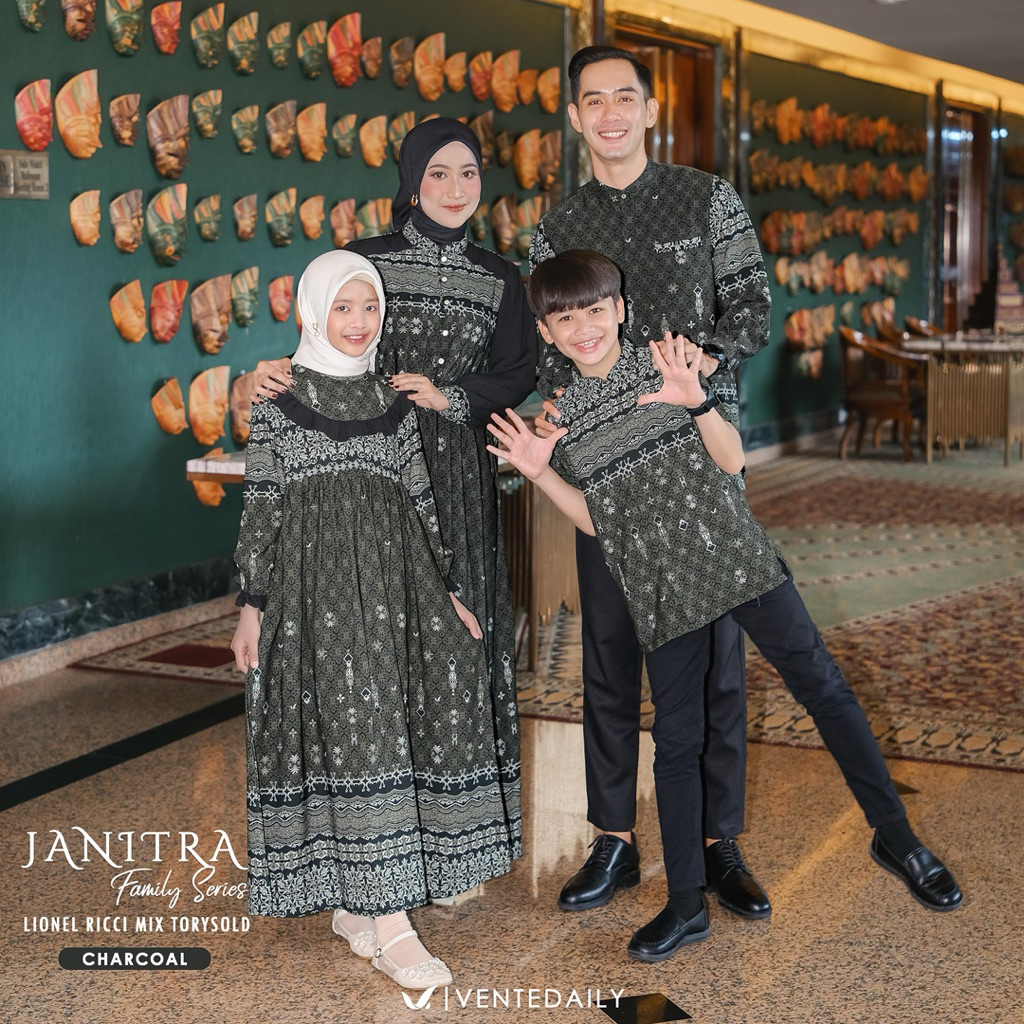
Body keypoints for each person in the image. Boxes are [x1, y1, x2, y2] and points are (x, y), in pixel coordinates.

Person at [487, 249, 962, 961]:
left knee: (824, 688)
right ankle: (686, 905)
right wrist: (540, 473)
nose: (583, 328)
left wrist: (697, 400)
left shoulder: (668, 365)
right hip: (663, 587)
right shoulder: (563, 418)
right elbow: (596, 520)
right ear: (547, 331)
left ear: (620, 309)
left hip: (736, 559)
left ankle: (897, 837)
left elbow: (733, 460)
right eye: (564, 319)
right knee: (677, 743)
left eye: (594, 310)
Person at [230, 249, 522, 991]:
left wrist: (448, 591)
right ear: (312, 312)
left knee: (386, 731)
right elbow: (261, 505)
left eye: (369, 308)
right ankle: (390, 925)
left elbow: (420, 499)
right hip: (311, 597)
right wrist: (251, 606)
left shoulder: (392, 400)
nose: (358, 322)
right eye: (343, 307)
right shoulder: (278, 397)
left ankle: (362, 906)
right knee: (351, 737)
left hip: (394, 590)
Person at [529, 45, 772, 919]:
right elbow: (549, 346)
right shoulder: (557, 226)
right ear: (575, 117)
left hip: (700, 460)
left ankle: (716, 843)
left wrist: (699, 365)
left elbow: (753, 306)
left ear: (650, 108)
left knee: (715, 671)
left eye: (624, 98)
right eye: (593, 101)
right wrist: (551, 416)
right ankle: (615, 842)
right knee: (608, 655)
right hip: (611, 476)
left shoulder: (707, 198)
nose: (610, 114)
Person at [250, 120, 537, 787]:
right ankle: (378, 795)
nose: (455, 188)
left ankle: (455, 802)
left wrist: (451, 395)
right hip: (368, 467)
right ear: (411, 180)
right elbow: (326, 339)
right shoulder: (367, 259)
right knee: (372, 630)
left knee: (457, 630)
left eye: (468, 173)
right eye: (438, 173)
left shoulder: (499, 276)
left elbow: (519, 372)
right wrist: (275, 370)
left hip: (456, 470)